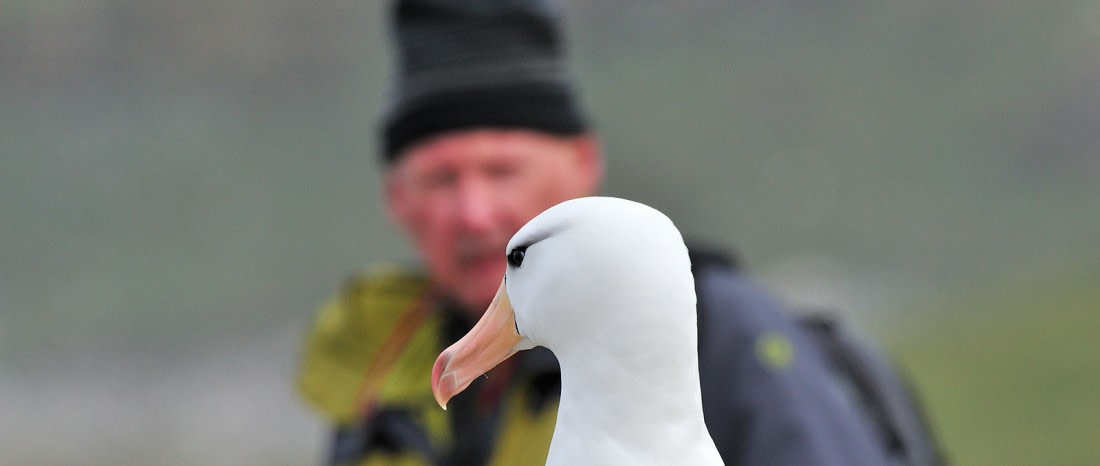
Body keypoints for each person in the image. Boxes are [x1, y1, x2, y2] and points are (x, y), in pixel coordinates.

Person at [296, 1, 937, 465]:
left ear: (582, 162)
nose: (475, 213)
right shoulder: (374, 372)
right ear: (395, 198)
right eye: (441, 180)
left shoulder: (728, 333)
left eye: (502, 170)